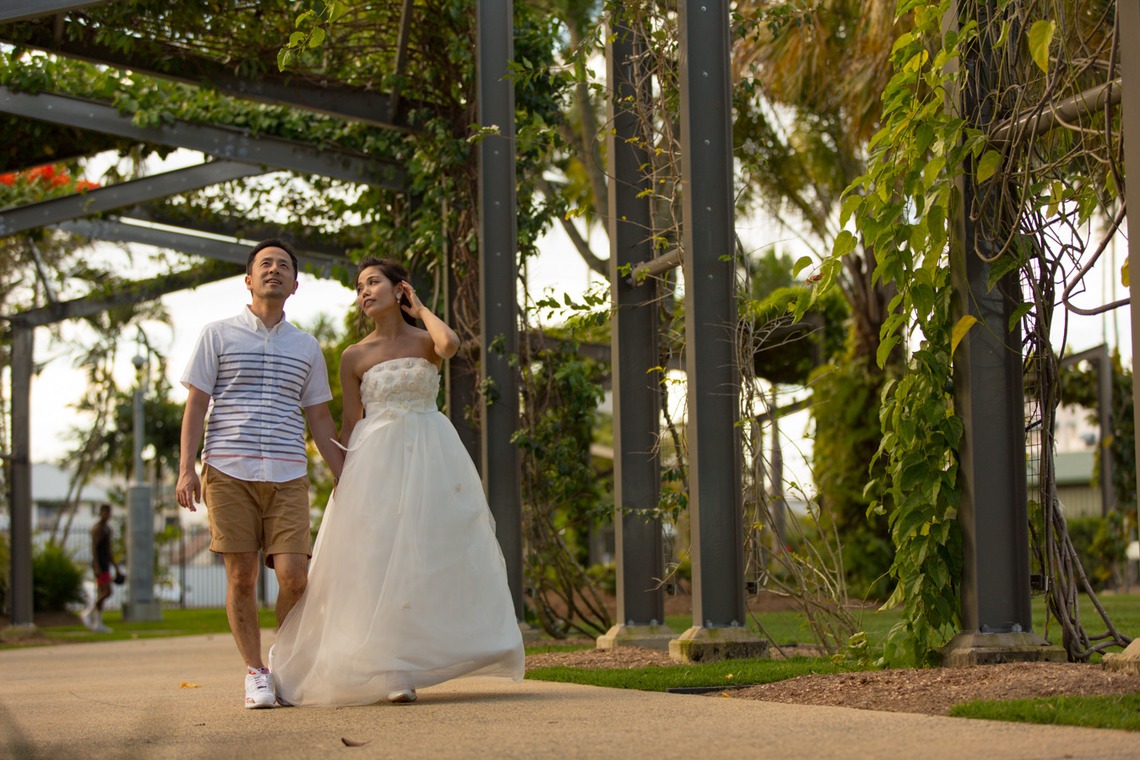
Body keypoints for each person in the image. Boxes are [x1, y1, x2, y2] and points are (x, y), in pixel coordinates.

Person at [270, 257, 524, 707]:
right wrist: (342, 479)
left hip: (431, 455)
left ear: (398, 289)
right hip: (376, 460)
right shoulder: (354, 355)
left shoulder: (427, 341)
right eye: (359, 287)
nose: (364, 291)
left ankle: (417, 654)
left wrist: (420, 308)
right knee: (377, 558)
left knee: (425, 554)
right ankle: (392, 671)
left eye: (373, 282)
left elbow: (450, 345)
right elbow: (350, 423)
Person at [175, 239, 344, 710]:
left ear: (295, 284)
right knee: (242, 576)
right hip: (228, 469)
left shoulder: (307, 347)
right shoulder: (217, 334)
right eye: (264, 264)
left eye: (283, 266)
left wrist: (343, 475)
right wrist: (186, 469)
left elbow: (321, 420)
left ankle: (278, 659)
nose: (274, 270)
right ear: (249, 279)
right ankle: (255, 672)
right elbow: (196, 406)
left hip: (288, 472)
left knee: (294, 577)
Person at [81, 503, 119, 633]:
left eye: (109, 512)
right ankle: (88, 612)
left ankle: (98, 622)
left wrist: (116, 567)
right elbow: (94, 549)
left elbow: (109, 550)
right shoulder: (97, 529)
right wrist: (96, 566)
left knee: (102, 593)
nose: (107, 515)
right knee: (107, 591)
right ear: (100, 513)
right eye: (105, 512)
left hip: (106, 564)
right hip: (100, 565)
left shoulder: (107, 529)